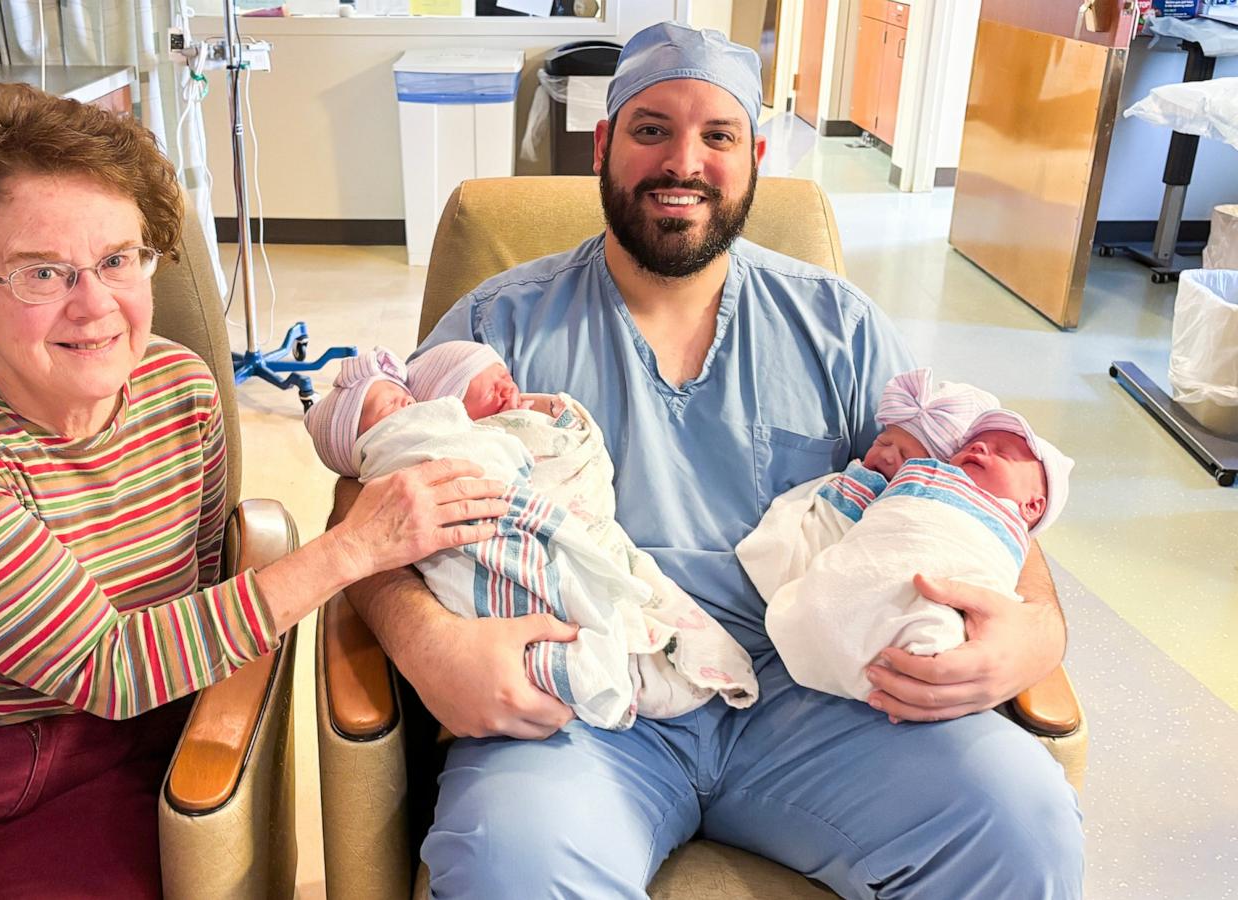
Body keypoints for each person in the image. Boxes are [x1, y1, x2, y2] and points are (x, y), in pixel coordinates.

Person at [331, 22, 1083, 899]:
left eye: (716, 136)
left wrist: (1038, 629)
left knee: (1019, 819)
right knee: (511, 861)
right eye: (651, 129)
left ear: (754, 155)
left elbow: (973, 483)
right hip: (587, 703)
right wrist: (430, 644)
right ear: (604, 144)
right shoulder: (497, 330)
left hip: (821, 696)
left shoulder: (836, 328)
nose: (682, 162)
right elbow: (368, 511)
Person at [0, 83, 505, 900]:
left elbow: (193, 604)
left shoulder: (180, 391)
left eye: (118, 260)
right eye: (42, 272)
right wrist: (353, 547)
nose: (95, 308)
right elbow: (109, 661)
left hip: (104, 754)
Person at [305, 346, 757, 729]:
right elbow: (359, 497)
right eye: (391, 405)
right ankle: (603, 660)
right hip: (536, 705)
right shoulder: (489, 320)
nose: (508, 391)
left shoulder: (818, 317)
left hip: (784, 680)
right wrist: (428, 643)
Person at [760, 406, 1075, 701]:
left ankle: (916, 655)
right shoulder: (920, 476)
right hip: (871, 560)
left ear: (1032, 506)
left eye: (1002, 454)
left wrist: (1039, 634)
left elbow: (996, 574)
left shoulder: (1003, 529)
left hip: (936, 601)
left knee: (939, 625)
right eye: (973, 446)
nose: (979, 448)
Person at [735, 366, 1002, 597]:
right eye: (884, 442)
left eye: (906, 458)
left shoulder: (921, 508)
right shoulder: (855, 478)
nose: (886, 456)